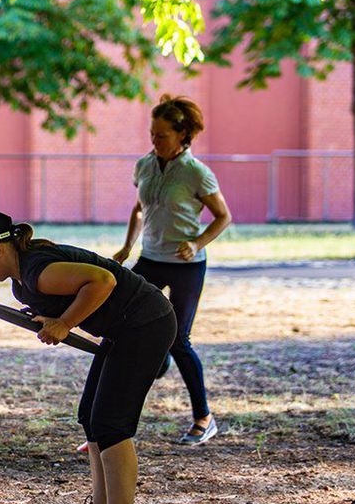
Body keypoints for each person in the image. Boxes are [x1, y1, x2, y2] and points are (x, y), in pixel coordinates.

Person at [0, 210, 176, 504]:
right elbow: (70, 298)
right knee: (91, 418)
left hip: (147, 323)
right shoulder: (23, 284)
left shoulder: (38, 272)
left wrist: (65, 323)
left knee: (112, 424)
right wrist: (53, 319)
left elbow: (103, 281)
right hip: (125, 329)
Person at [113, 94, 232, 445]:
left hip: (185, 266)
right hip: (150, 259)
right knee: (123, 324)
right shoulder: (144, 166)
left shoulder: (197, 173)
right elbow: (139, 209)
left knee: (179, 339)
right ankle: (122, 404)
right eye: (152, 134)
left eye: (162, 135)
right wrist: (127, 246)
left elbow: (223, 217)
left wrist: (197, 243)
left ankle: (204, 418)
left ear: (182, 135)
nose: (155, 141)